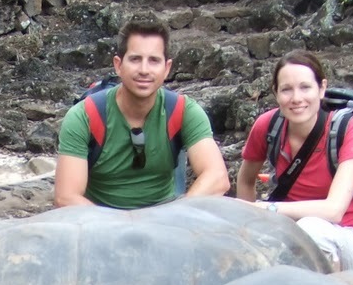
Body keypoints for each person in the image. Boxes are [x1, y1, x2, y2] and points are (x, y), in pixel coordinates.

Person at [55, 16, 230, 209]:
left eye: (154, 60)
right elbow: (67, 197)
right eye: (135, 59)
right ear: (118, 65)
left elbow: (217, 177)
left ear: (167, 68)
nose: (144, 70)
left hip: (165, 217)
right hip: (101, 223)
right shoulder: (85, 116)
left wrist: (175, 216)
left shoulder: (183, 111)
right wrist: (121, 226)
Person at [238, 50, 353, 270]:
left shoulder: (349, 129)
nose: (296, 98)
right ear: (276, 93)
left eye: (305, 87)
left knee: (311, 230)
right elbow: (246, 180)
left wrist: (266, 209)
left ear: (321, 88)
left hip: (349, 237)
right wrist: (248, 228)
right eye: (286, 89)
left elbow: (334, 209)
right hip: (289, 235)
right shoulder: (268, 126)